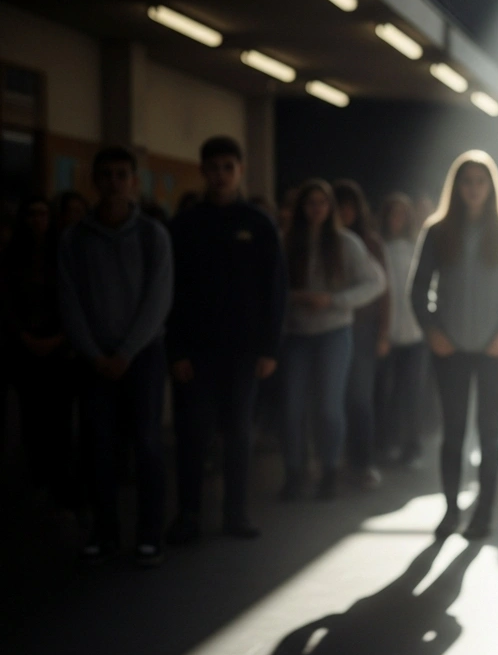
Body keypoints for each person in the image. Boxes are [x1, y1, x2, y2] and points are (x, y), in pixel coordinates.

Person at [165, 136, 288, 544]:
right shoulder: (184, 226)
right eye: (213, 168)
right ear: (202, 171)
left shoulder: (258, 224)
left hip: (244, 350)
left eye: (228, 168)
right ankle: (188, 514)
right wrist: (176, 350)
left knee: (238, 432)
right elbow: (173, 293)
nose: (220, 175)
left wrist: (270, 347)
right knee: (193, 434)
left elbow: (275, 290)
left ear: (239, 171)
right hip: (196, 349)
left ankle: (236, 512)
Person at [410, 150, 498, 540]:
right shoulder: (437, 230)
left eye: (480, 181)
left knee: (488, 434)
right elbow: (418, 290)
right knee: (453, 432)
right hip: (449, 349)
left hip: (495, 350)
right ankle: (451, 510)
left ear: (490, 186)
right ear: (456, 186)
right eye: (466, 181)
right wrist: (433, 331)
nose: (473, 189)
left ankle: (483, 513)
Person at [57, 146, 173, 566]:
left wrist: (126, 351)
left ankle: (149, 536)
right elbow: (69, 300)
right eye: (105, 175)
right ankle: (105, 533)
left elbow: (159, 298)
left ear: (134, 183)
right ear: (94, 181)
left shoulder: (151, 235)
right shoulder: (74, 239)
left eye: (122, 175)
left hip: (142, 355)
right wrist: (93, 352)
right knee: (98, 447)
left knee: (147, 445)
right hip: (93, 360)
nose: (113, 183)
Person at [280, 179, 387, 501]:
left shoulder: (345, 242)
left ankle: (328, 469)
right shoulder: (288, 241)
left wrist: (334, 300)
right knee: (292, 407)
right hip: (296, 333)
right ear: (301, 207)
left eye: (322, 203)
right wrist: (292, 298)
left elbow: (375, 282)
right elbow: (270, 287)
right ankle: (295, 472)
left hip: (333, 332)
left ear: (330, 208)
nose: (316, 209)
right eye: (310, 203)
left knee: (329, 406)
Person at [2, 197, 77, 514]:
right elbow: (5, 300)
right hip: (25, 345)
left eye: (43, 213)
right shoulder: (11, 256)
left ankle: (61, 482)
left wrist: (60, 336)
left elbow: (75, 298)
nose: (37, 220)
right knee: (32, 418)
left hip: (59, 344)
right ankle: (39, 478)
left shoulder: (64, 253)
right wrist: (24, 336)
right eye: (31, 214)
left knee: (59, 417)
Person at [333, 179, 391, 490]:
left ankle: (363, 462)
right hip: (329, 328)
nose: (342, 212)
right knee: (334, 398)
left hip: (363, 329)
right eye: (337, 206)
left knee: (360, 397)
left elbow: (384, 292)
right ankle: (338, 461)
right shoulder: (323, 241)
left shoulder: (370, 243)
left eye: (347, 206)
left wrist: (383, 333)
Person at [374, 193, 428, 468]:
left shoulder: (417, 246)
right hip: (385, 332)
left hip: (415, 332)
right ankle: (388, 444)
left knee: (412, 392)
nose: (397, 219)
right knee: (386, 392)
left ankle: (412, 446)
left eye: (402, 214)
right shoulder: (377, 247)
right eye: (392, 214)